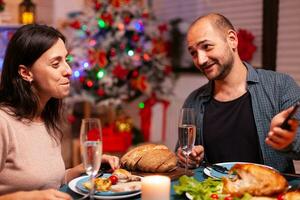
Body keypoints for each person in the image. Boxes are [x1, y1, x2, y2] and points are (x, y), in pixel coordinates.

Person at [0, 24, 119, 199]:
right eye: (56, 64)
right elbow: (38, 192)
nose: (69, 71)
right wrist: (31, 197)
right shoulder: (3, 122)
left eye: (66, 61)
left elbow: (50, 183)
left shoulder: (45, 116)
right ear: (25, 73)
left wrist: (82, 169)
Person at [176, 13, 300, 173]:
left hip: (269, 193)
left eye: (206, 46)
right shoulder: (194, 101)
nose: (201, 60)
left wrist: (288, 141)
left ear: (232, 40)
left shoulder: (280, 85)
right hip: (215, 195)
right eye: (193, 53)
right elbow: (181, 157)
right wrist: (189, 159)